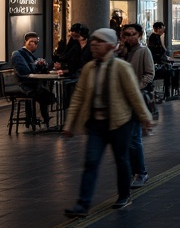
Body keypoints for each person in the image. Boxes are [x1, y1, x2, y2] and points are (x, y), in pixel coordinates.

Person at [62, 27, 153, 217]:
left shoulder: (122, 67)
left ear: (111, 45)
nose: (94, 45)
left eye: (100, 41)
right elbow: (78, 96)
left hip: (120, 123)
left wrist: (145, 117)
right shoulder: (88, 68)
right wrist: (69, 124)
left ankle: (124, 194)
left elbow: (133, 94)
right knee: (91, 162)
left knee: (121, 160)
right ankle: (82, 204)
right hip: (96, 124)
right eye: (93, 41)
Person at [119, 23, 154, 189]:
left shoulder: (143, 51)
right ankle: (135, 172)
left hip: (135, 99)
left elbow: (150, 73)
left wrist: (137, 87)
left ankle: (141, 172)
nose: (129, 37)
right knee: (126, 140)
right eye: (126, 34)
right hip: (120, 101)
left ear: (139, 35)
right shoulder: (122, 52)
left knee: (134, 139)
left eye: (132, 34)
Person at [11, 31, 55, 129]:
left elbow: (33, 70)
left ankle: (39, 118)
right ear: (25, 42)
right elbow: (25, 71)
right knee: (46, 95)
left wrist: (40, 66)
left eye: (36, 42)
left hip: (32, 84)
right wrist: (36, 66)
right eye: (31, 42)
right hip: (25, 86)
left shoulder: (30, 55)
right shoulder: (18, 54)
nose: (33, 44)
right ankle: (39, 119)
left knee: (47, 94)